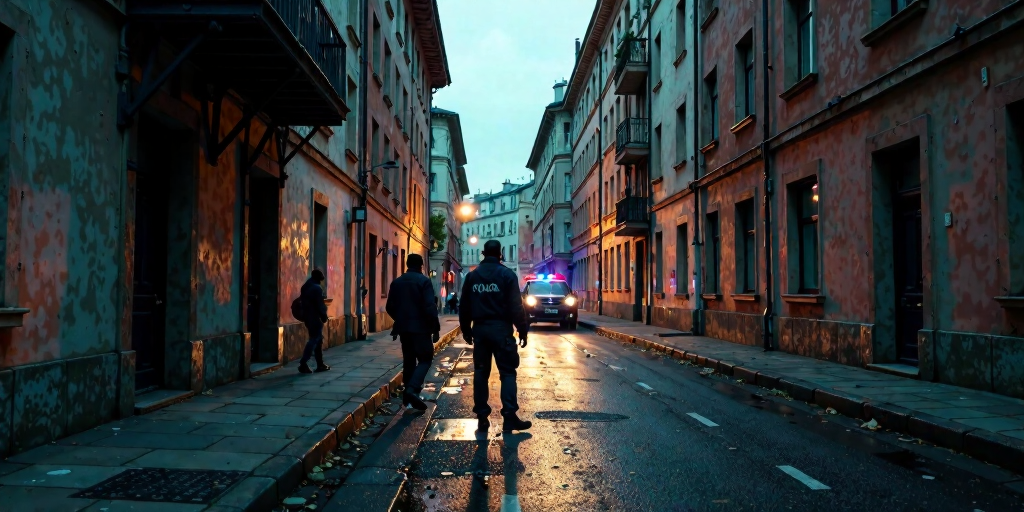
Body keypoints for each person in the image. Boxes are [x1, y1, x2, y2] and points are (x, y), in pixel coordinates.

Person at [459, 240, 532, 433]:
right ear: (500, 254)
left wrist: (466, 329)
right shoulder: (507, 275)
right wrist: (522, 329)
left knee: (481, 373)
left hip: (481, 331)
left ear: (483, 253)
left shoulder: (472, 277)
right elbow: (516, 306)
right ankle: (509, 417)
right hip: (501, 330)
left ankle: (482, 417)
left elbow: (464, 305)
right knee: (507, 373)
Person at [385, 254, 441, 411]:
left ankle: (407, 400)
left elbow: (389, 306)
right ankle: (412, 390)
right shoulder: (424, 281)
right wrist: (435, 328)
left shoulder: (397, 282)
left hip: (404, 329)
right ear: (421, 266)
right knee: (425, 359)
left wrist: (401, 318)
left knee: (409, 361)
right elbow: (430, 307)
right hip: (421, 329)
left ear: (406, 264)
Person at [298, 268, 330, 374]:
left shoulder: (306, 286)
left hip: (307, 317)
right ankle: (303, 362)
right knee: (314, 339)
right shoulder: (316, 288)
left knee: (318, 340)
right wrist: (324, 316)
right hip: (315, 317)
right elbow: (319, 304)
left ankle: (320, 364)